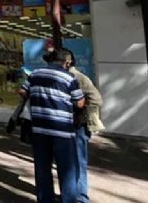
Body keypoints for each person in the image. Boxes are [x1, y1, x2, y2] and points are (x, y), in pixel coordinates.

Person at [18, 49, 86, 203]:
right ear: (67, 62)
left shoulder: (35, 74)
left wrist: (38, 98)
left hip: (39, 128)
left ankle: (45, 199)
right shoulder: (69, 78)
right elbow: (79, 103)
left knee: (42, 167)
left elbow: (22, 91)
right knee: (66, 169)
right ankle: (68, 200)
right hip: (62, 130)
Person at [65, 50, 104, 203]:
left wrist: (82, 114)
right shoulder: (67, 76)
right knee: (72, 161)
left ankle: (81, 197)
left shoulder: (78, 77)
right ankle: (73, 194)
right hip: (69, 124)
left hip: (78, 126)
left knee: (78, 161)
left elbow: (96, 99)